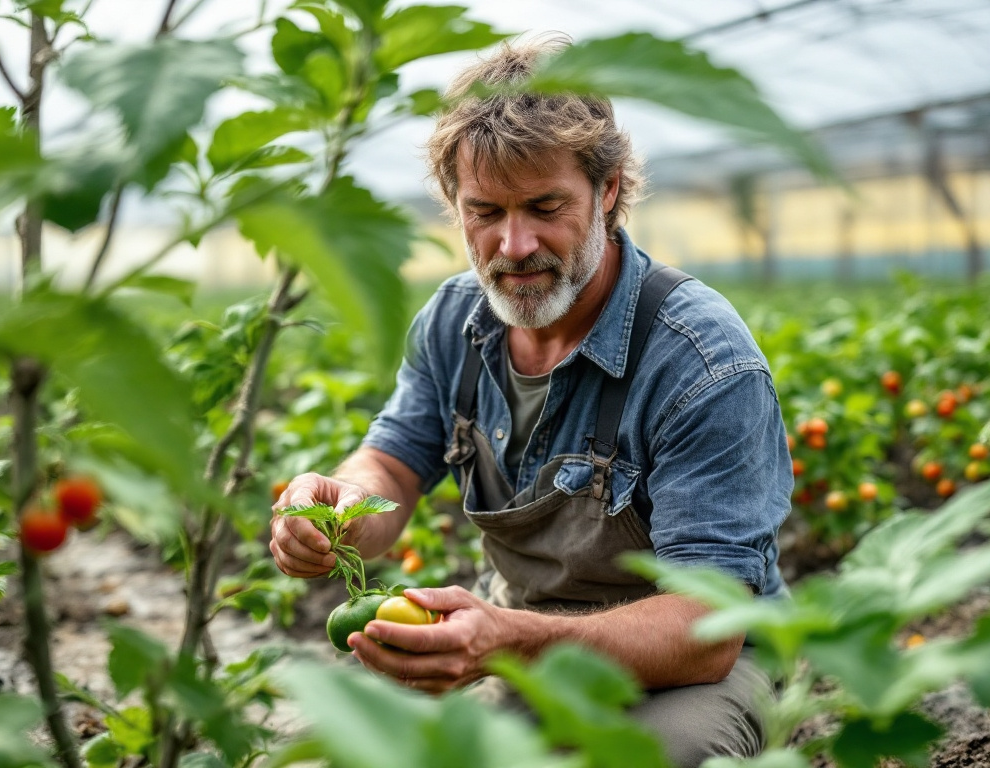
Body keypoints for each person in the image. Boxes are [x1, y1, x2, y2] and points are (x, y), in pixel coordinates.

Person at [270, 36, 793, 767]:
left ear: (607, 191)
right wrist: (339, 512)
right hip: (519, 639)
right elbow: (391, 463)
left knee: (664, 759)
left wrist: (507, 637)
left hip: (691, 671)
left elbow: (708, 629)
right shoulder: (455, 320)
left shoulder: (703, 362)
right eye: (484, 212)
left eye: (545, 207)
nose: (514, 246)